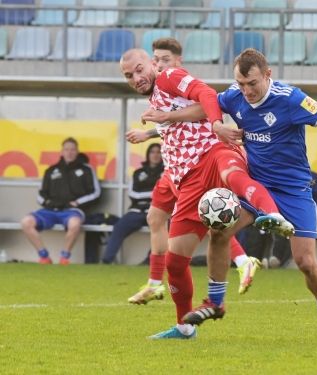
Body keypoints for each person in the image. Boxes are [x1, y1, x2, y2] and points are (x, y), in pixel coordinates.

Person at [162, 48, 317, 344]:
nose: (246, 91)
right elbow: (205, 105)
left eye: (252, 83)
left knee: (305, 263)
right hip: (256, 187)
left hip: (294, 191)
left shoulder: (289, 99)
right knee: (219, 231)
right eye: (240, 84)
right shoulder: (235, 96)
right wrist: (169, 117)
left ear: (267, 75)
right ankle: (215, 302)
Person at [120, 44, 294, 340]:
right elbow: (177, 119)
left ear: (151, 64)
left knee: (233, 174)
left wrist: (215, 125)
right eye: (128, 76)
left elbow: (207, 94)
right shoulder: (157, 100)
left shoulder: (168, 77)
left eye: (139, 70)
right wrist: (158, 126)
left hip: (213, 152)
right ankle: (185, 328)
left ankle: (272, 214)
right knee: (175, 263)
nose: (136, 78)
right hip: (188, 180)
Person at [20, 137, 101, 265]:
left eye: (73, 150)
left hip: (71, 211)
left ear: (77, 152)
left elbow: (95, 193)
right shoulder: (51, 170)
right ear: (61, 152)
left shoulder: (86, 169)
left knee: (74, 224)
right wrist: (48, 203)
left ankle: (64, 257)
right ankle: (44, 256)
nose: (69, 152)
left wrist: (77, 202)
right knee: (26, 222)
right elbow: (40, 195)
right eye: (66, 149)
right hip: (50, 210)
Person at [101, 143, 164, 264]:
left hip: (157, 210)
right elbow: (133, 193)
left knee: (162, 230)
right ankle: (107, 260)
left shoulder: (167, 172)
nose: (155, 155)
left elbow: (168, 192)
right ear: (148, 155)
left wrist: (149, 195)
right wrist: (154, 194)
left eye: (158, 152)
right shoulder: (138, 172)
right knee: (119, 226)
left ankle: (150, 260)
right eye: (152, 152)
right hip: (136, 211)